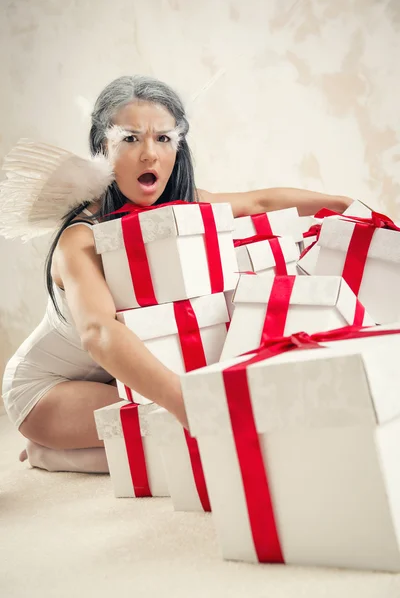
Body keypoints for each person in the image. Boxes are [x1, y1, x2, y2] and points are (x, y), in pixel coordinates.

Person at [1, 75, 352, 474]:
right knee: (179, 435)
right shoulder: (79, 239)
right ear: (103, 147)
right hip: (46, 389)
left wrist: (342, 202)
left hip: (107, 379)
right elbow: (99, 333)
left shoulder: (178, 214)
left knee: (205, 429)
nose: (150, 154)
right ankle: (48, 452)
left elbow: (259, 201)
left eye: (163, 139)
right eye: (131, 139)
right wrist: (190, 402)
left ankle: (79, 445)